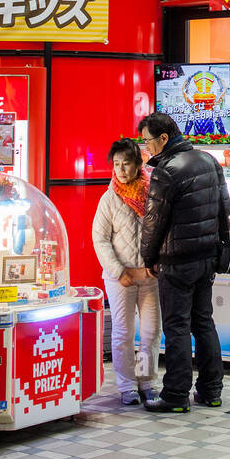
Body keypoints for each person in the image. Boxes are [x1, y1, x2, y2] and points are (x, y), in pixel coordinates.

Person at [138, 112, 230, 413]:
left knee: (176, 326)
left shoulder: (166, 170)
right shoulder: (209, 161)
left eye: (148, 141)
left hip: (176, 261)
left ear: (163, 138)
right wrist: (221, 245)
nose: (146, 147)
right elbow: (224, 209)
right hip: (207, 258)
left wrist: (148, 257)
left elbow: (154, 221)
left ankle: (176, 395)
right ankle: (211, 391)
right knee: (203, 322)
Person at [92, 138, 162, 407]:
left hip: (149, 277)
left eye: (127, 164)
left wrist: (158, 264)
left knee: (151, 332)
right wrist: (117, 270)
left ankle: (146, 381)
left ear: (138, 164)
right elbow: (100, 239)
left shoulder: (153, 194)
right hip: (120, 277)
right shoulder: (109, 199)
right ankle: (127, 385)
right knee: (123, 333)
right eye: (117, 164)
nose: (121, 170)